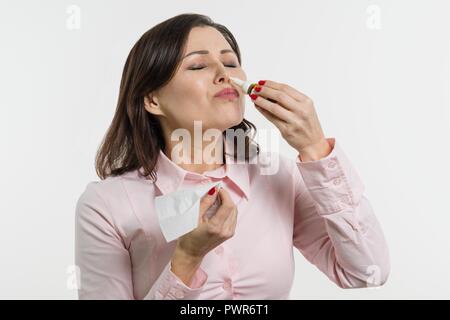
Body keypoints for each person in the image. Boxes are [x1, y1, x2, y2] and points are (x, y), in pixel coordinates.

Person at [75, 13, 390, 300]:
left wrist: (315, 148)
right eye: (198, 66)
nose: (223, 74)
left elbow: (366, 271)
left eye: (230, 62)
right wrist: (186, 259)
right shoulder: (106, 204)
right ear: (152, 100)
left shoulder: (278, 177)